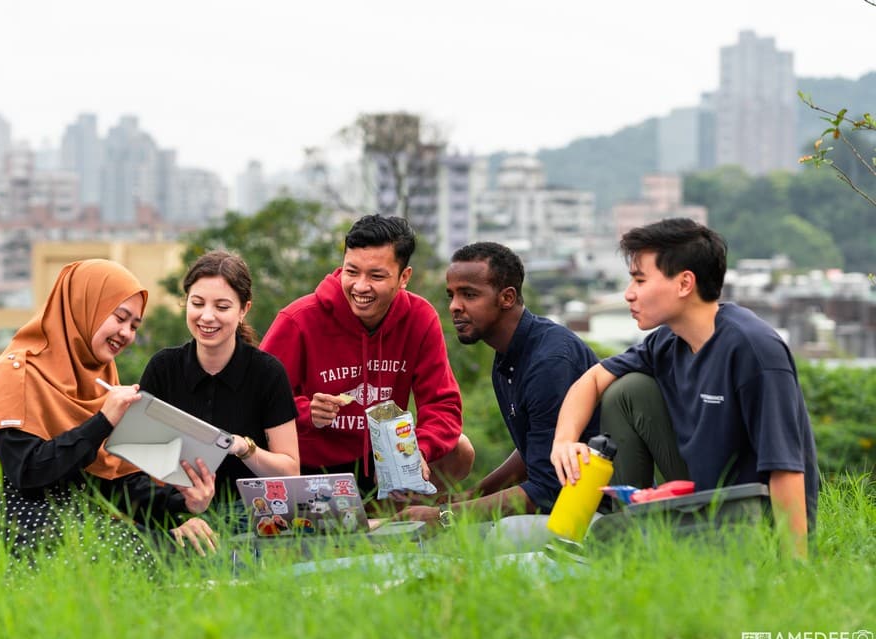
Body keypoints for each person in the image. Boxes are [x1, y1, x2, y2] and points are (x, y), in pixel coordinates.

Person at [550, 218, 819, 556]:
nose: (629, 293)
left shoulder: (752, 348)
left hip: (749, 518)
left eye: (639, 280)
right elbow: (592, 380)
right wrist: (563, 442)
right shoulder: (667, 341)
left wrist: (793, 566)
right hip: (702, 499)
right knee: (625, 391)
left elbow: (785, 467)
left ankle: (636, 541)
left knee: (604, 546)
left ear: (684, 283)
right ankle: (634, 522)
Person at [0, 259, 218, 566]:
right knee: (130, 555)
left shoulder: (100, 381)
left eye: (134, 326)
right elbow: (28, 471)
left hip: (82, 518)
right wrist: (102, 421)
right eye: (120, 318)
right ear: (82, 307)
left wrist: (182, 503)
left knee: (188, 551)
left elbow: (110, 482)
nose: (126, 333)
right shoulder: (18, 370)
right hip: (20, 522)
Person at [260, 214, 475, 500]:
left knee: (460, 450)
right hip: (312, 465)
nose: (360, 287)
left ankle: (396, 518)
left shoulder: (420, 318)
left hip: (383, 462)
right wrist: (305, 411)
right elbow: (256, 398)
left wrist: (416, 451)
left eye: (376, 276)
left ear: (404, 278)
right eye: (352, 272)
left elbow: (443, 405)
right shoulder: (298, 319)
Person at [397, 242, 600, 526]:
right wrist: (475, 493)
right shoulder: (509, 355)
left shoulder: (550, 362)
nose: (455, 306)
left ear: (506, 298)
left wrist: (443, 517)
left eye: (469, 294)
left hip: (596, 511)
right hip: (560, 500)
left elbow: (546, 491)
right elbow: (536, 446)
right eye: (451, 295)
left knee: (493, 534)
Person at [139, 250, 299, 526]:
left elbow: (290, 472)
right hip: (176, 510)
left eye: (222, 307)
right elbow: (139, 457)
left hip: (252, 514)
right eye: (197, 303)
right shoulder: (163, 367)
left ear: (244, 309)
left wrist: (243, 448)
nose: (207, 317)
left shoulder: (267, 373)